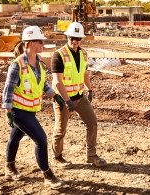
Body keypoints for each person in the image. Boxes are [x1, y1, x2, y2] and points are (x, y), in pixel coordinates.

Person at [2, 26, 64, 189]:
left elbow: (42, 83)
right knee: (41, 140)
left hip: (30, 110)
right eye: (39, 41)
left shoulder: (39, 64)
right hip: (18, 111)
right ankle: (47, 174)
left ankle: (9, 167)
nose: (42, 44)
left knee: (14, 138)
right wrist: (8, 111)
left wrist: (53, 95)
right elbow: (8, 88)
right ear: (28, 43)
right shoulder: (17, 65)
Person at [51, 22, 107, 167]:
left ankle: (91, 155)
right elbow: (57, 82)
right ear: (67, 37)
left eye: (78, 38)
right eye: (72, 38)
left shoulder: (83, 54)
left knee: (92, 122)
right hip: (62, 99)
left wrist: (90, 89)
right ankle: (57, 157)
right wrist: (67, 100)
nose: (75, 41)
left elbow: (84, 73)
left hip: (79, 96)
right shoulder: (58, 55)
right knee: (60, 130)